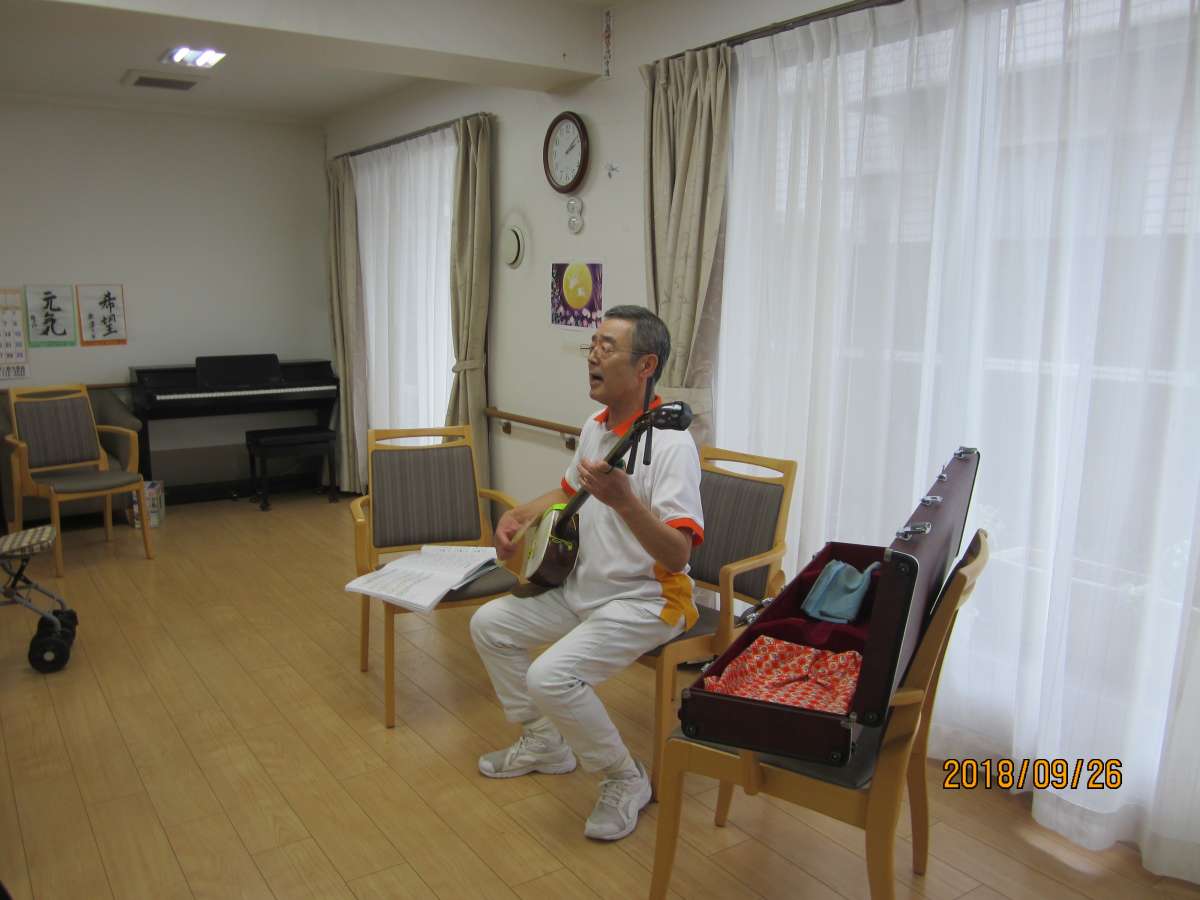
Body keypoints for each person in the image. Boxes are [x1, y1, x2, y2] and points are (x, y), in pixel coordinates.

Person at [470, 305, 704, 842]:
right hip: (583, 586)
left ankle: (625, 777)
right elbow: (570, 490)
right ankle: (544, 742)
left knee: (549, 676)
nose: (593, 356)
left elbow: (677, 555)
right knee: (490, 625)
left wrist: (626, 502)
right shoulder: (596, 427)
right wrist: (519, 514)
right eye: (592, 345)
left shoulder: (672, 446)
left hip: (648, 599)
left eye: (607, 347)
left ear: (646, 366)